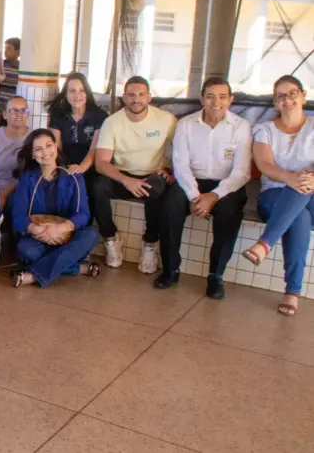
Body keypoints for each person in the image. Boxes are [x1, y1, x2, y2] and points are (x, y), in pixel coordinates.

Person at [156, 77, 250, 297]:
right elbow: (180, 165)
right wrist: (194, 196)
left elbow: (241, 173)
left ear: (231, 99)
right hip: (191, 181)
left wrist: (214, 196)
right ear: (202, 98)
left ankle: (216, 275)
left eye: (222, 97)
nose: (216, 102)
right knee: (170, 204)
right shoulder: (186, 124)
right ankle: (171, 269)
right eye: (210, 96)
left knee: (230, 210)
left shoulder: (241, 127)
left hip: (227, 184)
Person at [241, 76, 312, 316]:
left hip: (311, 193)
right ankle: (292, 291)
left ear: (303, 96)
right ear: (275, 102)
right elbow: (265, 164)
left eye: (292, 93)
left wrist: (308, 179)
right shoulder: (265, 130)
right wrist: (290, 178)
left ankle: (265, 244)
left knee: (302, 188)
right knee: (299, 216)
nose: (287, 100)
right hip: (273, 195)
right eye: (281, 96)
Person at [94, 76, 177, 271]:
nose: (136, 99)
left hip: (152, 175)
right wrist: (126, 180)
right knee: (96, 187)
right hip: (122, 176)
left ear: (149, 97)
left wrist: (173, 172)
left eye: (141, 95)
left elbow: (184, 150)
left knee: (156, 189)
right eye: (131, 95)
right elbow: (101, 163)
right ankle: (110, 238)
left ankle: (150, 243)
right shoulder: (112, 122)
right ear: (124, 97)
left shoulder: (165, 119)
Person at [8, 129, 100, 288]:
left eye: (48, 145)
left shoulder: (73, 175)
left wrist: (60, 229)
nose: (45, 152)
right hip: (39, 237)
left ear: (56, 146)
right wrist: (38, 230)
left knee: (91, 235)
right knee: (26, 250)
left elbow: (83, 214)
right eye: (38, 149)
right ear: (32, 154)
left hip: (67, 237)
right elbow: (18, 216)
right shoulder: (27, 178)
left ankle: (33, 276)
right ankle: (78, 268)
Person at [47, 72, 108, 220]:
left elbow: (94, 149)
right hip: (66, 164)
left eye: (82, 90)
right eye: (72, 91)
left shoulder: (99, 116)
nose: (77, 95)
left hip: (90, 165)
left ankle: (84, 223)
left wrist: (81, 168)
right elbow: (56, 147)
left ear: (87, 93)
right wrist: (65, 168)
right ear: (66, 94)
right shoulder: (58, 115)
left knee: (90, 186)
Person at [0, 98, 30, 206]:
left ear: (28, 115)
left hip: (19, 190)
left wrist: (4, 194)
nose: (19, 114)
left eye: (23, 110)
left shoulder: (34, 138)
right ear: (4, 115)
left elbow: (31, 174)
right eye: (14, 110)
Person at [0, 38, 20, 118]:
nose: (5, 51)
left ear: (18, 51)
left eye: (9, 48)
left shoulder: (23, 67)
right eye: (5, 48)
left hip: (14, 108)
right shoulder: (1, 65)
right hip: (0, 107)